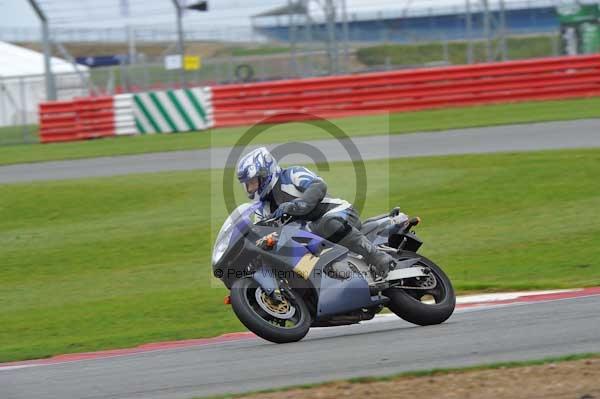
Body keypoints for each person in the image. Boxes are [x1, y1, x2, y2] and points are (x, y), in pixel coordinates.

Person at [236, 147, 396, 279]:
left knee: (326, 224)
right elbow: (260, 232)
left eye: (253, 182)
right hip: (311, 238)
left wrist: (295, 205)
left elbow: (318, 186)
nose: (251, 189)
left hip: (338, 214)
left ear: (265, 174)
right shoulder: (262, 209)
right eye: (247, 185)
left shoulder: (292, 175)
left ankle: (376, 256)